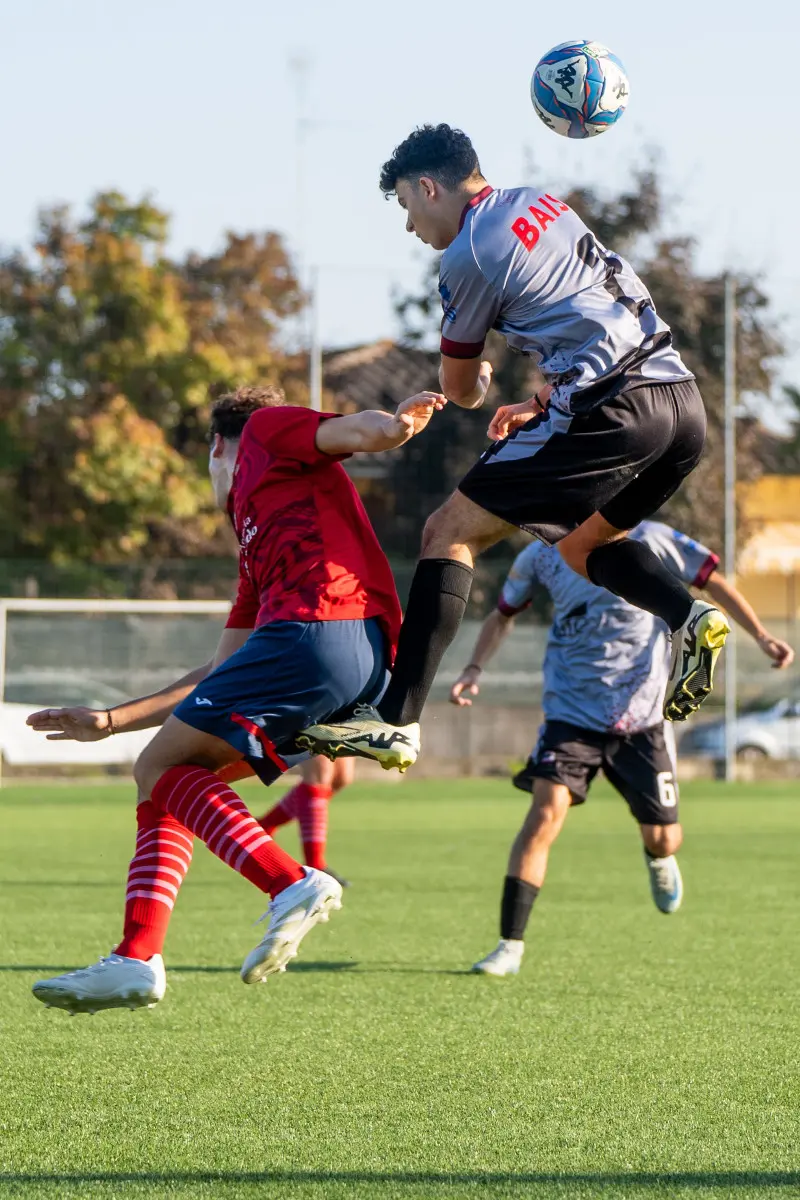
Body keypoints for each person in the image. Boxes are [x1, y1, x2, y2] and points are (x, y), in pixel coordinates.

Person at [300, 124, 730, 770]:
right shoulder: (539, 203)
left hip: (615, 408)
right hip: (680, 403)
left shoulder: (468, 251)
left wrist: (480, 387)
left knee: (448, 531)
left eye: (406, 207)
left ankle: (394, 719)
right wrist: (542, 403)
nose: (411, 226)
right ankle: (685, 614)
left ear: (428, 187)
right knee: (583, 547)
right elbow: (591, 315)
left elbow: (461, 387)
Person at [28, 383, 444, 1014]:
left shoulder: (264, 432)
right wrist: (112, 721)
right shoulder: (255, 537)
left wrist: (393, 427)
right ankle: (137, 958)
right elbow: (220, 674)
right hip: (341, 651)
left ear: (216, 446)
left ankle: (289, 883)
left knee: (161, 769)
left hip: (318, 633)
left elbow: (351, 432)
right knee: (166, 777)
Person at [447, 521, 793, 977]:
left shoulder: (653, 539)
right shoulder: (541, 554)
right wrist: (473, 666)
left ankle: (659, 858)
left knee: (664, 836)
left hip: (642, 719)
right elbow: (503, 614)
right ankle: (509, 945)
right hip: (570, 715)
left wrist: (761, 635)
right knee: (544, 814)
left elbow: (713, 582)